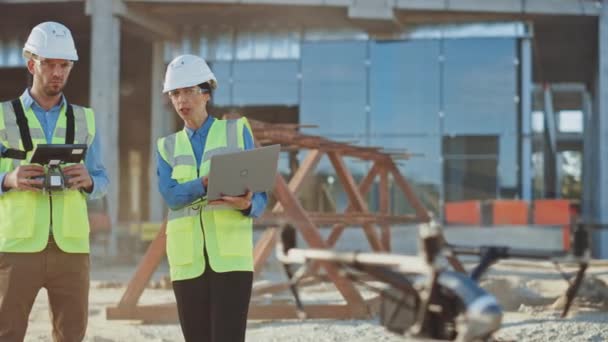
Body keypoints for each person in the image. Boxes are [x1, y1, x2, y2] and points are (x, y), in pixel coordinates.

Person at [0, 21, 108, 341]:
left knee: (71, 336)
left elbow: (102, 178)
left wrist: (89, 182)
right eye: (50, 64)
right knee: (7, 333)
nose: (58, 72)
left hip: (72, 247)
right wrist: (9, 178)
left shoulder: (85, 119)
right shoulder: (3, 117)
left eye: (64, 65)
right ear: (32, 64)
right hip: (17, 246)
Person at [156, 54, 268, 342]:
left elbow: (261, 195)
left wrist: (247, 206)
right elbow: (171, 196)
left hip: (231, 258)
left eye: (189, 91)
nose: (182, 101)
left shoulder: (236, 131)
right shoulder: (166, 146)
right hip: (187, 259)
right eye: (175, 93)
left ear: (206, 94)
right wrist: (203, 184)